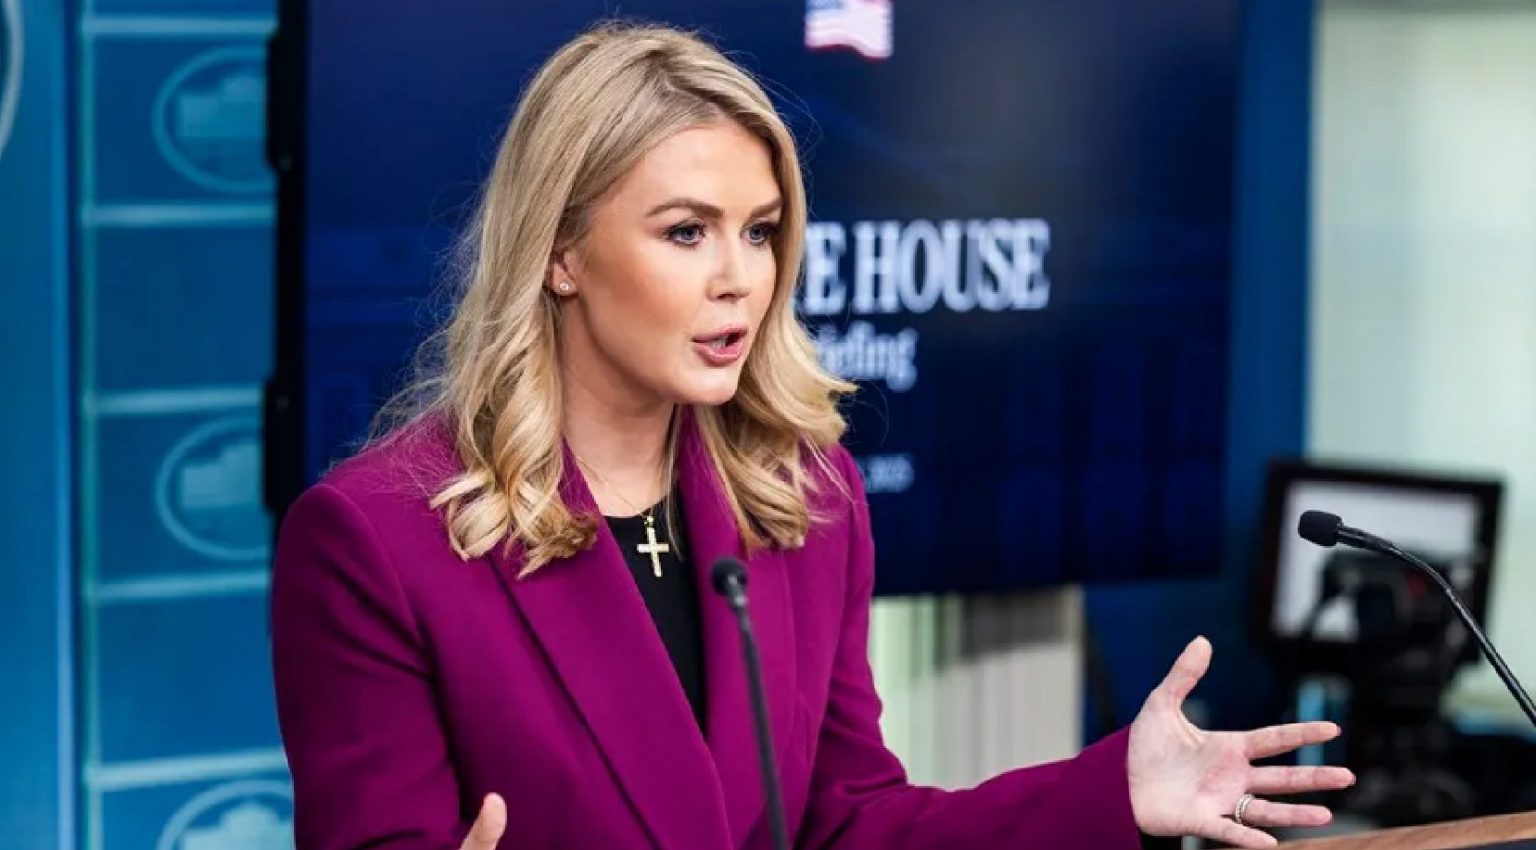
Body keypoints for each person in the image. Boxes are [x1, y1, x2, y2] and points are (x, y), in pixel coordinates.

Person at [269, 21, 1354, 850]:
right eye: (685, 232)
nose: (739, 277)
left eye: (760, 232)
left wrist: (1110, 792)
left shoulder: (803, 496)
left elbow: (846, 822)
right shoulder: (376, 542)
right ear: (560, 252)